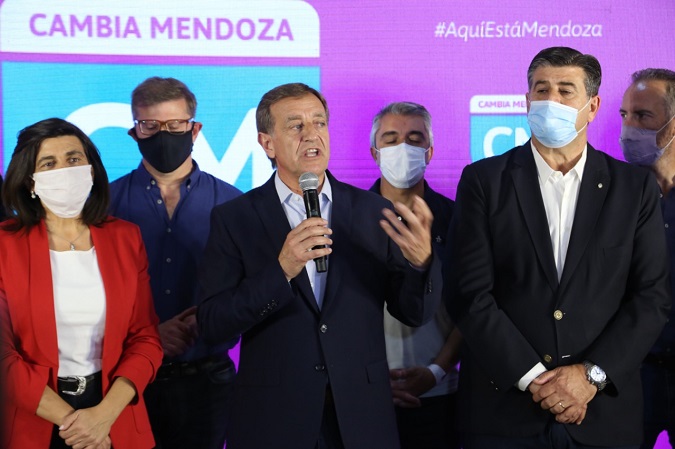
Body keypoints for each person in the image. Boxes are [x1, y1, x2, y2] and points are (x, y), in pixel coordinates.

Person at [445, 46, 671, 449]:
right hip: (503, 415)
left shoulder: (633, 188)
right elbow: (469, 293)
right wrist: (535, 379)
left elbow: (650, 297)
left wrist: (590, 377)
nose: (551, 101)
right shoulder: (484, 181)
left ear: (592, 105)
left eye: (566, 91)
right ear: (526, 100)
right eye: (541, 89)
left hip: (603, 416)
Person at [197, 82, 441, 449]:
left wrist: (422, 263)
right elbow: (213, 325)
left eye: (319, 123)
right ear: (267, 143)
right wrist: (281, 270)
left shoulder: (373, 212)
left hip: (361, 420)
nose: (312, 135)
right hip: (274, 420)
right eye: (296, 126)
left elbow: (413, 312)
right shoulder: (234, 219)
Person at [0, 118, 163, 449]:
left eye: (74, 159)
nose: (64, 170)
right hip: (35, 418)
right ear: (30, 181)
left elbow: (145, 338)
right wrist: (77, 424)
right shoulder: (5, 245)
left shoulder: (126, 238)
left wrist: (102, 416)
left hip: (114, 415)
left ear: (90, 169)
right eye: (49, 163)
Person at [109, 77, 241, 449]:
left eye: (174, 125)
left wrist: (213, 319)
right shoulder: (103, 205)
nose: (162, 135)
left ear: (194, 129)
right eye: (149, 125)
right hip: (125, 378)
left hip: (208, 378)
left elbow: (249, 292)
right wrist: (150, 336)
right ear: (134, 131)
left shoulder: (233, 203)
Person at [368, 101, 460, 449]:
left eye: (413, 138)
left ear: (430, 151)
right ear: (375, 152)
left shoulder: (458, 219)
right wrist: (370, 379)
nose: (401, 147)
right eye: (390, 139)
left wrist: (437, 371)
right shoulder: (347, 221)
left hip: (440, 394)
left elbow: (474, 306)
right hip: (366, 394)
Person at [619, 68, 675, 449]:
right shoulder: (608, 196)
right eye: (624, 115)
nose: (628, 128)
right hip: (629, 379)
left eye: (642, 117)